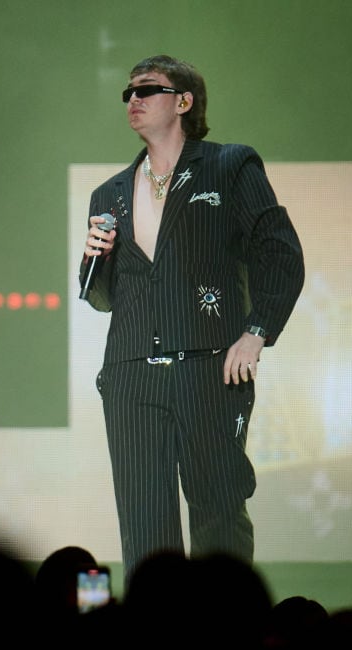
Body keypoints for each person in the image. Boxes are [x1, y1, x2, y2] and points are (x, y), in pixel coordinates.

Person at [79, 54, 304, 588]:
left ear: (183, 101)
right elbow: (101, 298)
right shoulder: (110, 192)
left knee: (218, 514)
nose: (133, 99)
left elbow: (281, 253)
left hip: (209, 369)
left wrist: (257, 332)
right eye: (128, 93)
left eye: (148, 89)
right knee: (145, 528)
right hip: (132, 375)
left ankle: (226, 638)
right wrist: (93, 259)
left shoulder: (229, 166)